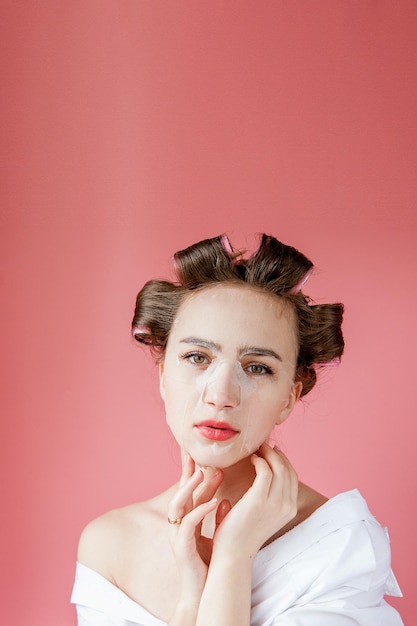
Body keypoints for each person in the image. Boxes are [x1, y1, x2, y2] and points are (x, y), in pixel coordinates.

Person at [71, 234, 403, 625]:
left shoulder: (339, 546)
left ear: (289, 398)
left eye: (258, 367)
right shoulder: (110, 545)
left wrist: (233, 557)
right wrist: (191, 600)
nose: (221, 394)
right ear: (163, 376)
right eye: (197, 357)